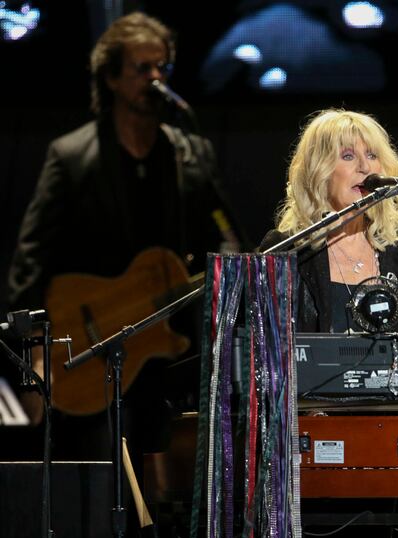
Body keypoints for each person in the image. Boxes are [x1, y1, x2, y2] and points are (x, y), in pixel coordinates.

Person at [5, 11, 247, 458]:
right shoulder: (73, 156)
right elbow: (30, 261)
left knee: (166, 480)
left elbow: (226, 237)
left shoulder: (189, 154)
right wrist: (34, 358)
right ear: (112, 77)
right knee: (98, 479)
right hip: (87, 348)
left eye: (162, 68)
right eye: (142, 68)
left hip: (165, 350)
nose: (155, 78)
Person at [259, 108, 398, 333]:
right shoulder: (288, 251)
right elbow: (269, 349)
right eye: (348, 156)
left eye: (372, 155)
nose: (365, 167)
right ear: (319, 171)